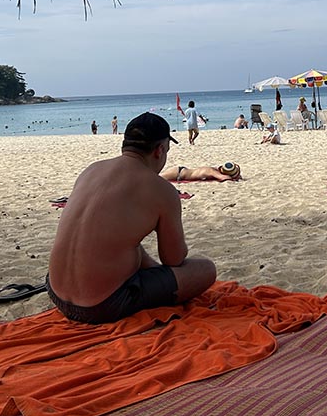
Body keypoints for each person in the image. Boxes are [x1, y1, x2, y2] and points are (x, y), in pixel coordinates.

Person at [46, 112, 216, 324]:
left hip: (55, 291)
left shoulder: (91, 170)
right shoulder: (161, 190)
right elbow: (174, 259)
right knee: (205, 269)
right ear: (159, 150)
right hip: (100, 306)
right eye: (167, 151)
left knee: (129, 244)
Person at [162, 164, 240, 182]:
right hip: (178, 173)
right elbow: (224, 178)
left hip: (180, 171)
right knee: (153, 179)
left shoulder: (212, 169)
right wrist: (235, 177)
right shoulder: (212, 171)